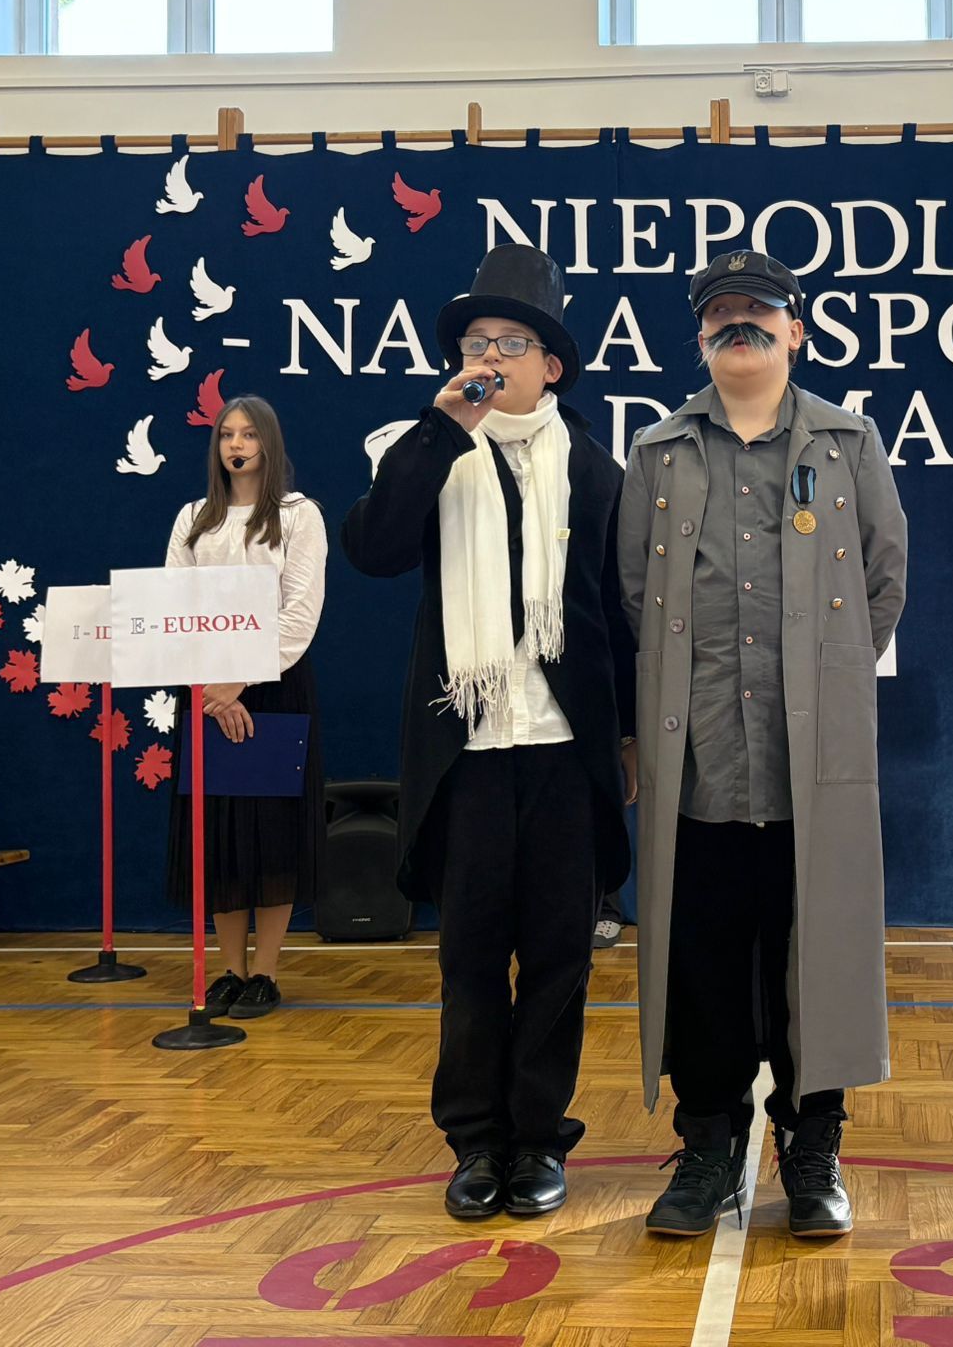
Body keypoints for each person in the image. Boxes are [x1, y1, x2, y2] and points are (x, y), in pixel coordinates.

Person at [618, 248, 907, 1240]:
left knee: (812, 959)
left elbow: (882, 581)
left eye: (759, 311)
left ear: (796, 329)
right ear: (700, 335)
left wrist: (826, 684)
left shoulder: (849, 443)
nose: (739, 326)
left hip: (810, 766)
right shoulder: (657, 451)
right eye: (721, 314)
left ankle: (811, 1147)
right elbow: (633, 591)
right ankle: (707, 1149)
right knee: (701, 964)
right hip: (698, 761)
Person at [343, 243, 635, 1222]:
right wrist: (443, 429)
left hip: (564, 750)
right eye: (478, 343)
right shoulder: (422, 447)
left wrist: (629, 739)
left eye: (514, 344)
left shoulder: (596, 469)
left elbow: (619, 618)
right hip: (464, 748)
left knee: (559, 957)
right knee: (468, 957)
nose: (493, 358)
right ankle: (475, 1141)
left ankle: (538, 1138)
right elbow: (374, 549)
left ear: (552, 365)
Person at [165, 395, 328, 1021]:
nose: (236, 445)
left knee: (271, 831)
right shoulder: (192, 518)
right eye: (227, 435)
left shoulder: (298, 515)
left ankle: (265, 972)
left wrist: (242, 682)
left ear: (269, 444)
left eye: (249, 435)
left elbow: (299, 612)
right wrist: (212, 690)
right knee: (220, 833)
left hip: (274, 685)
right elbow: (175, 609)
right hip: (205, 690)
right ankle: (229, 970)